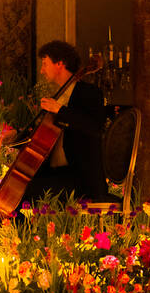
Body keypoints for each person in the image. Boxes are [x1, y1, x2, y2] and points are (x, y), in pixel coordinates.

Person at [21, 40, 108, 203]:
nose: (41, 70)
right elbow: (41, 137)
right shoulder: (59, 96)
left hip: (81, 178)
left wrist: (60, 110)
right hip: (57, 174)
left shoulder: (89, 93)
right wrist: (15, 136)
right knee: (22, 185)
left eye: (45, 64)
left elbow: (95, 128)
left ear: (60, 64)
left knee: (27, 192)